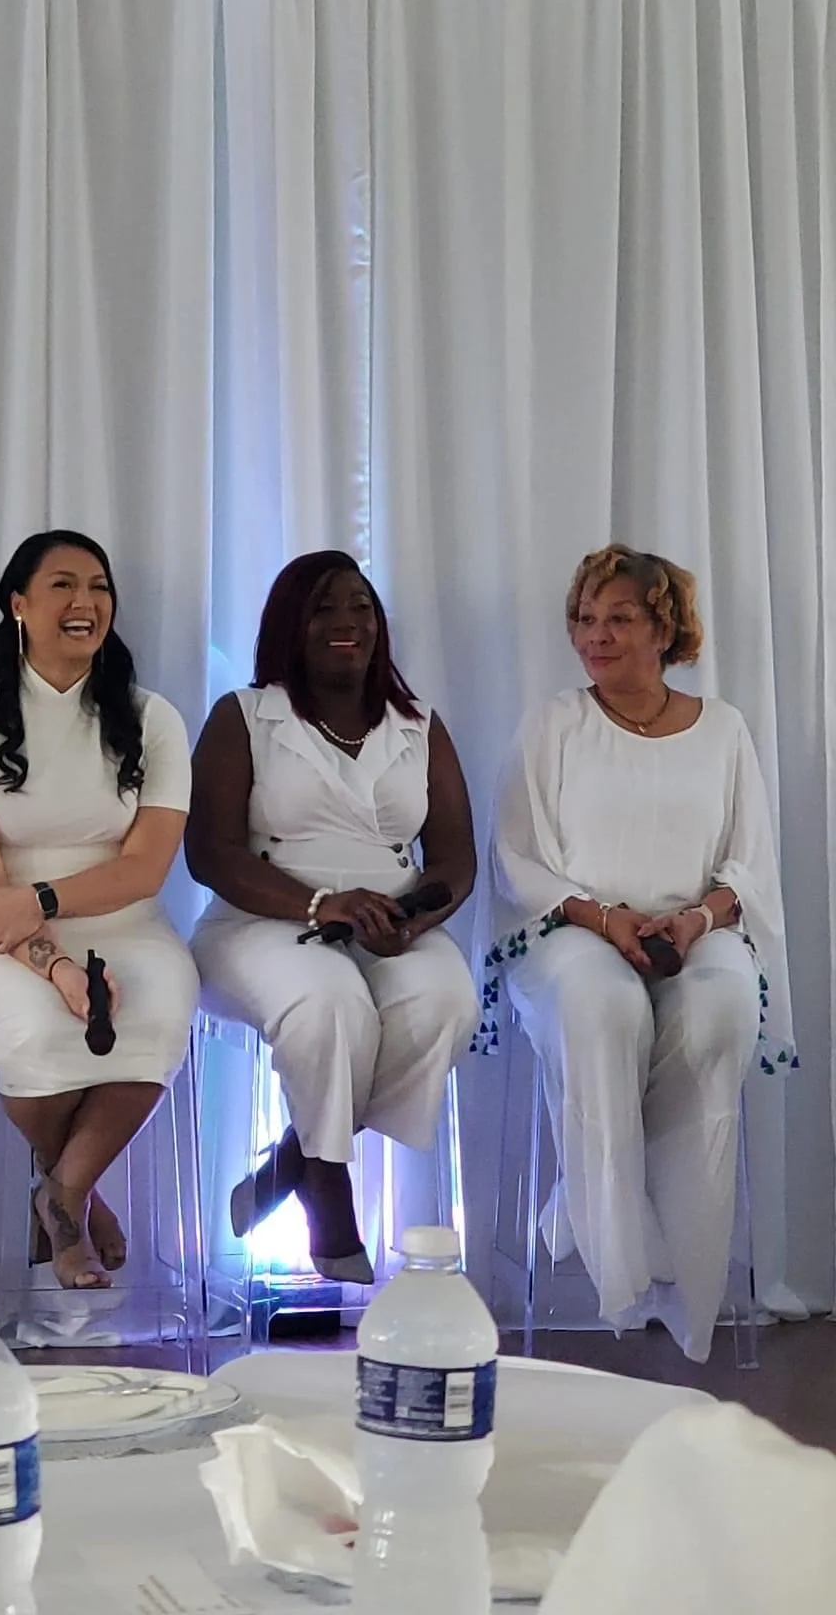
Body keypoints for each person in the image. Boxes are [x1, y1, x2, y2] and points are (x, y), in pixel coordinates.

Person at [490, 544, 794, 1362]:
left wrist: (696, 921)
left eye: (620, 617)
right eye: (586, 619)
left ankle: (681, 1283)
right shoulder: (555, 722)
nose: (598, 635)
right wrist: (605, 918)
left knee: (723, 1010)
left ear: (666, 628)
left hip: (696, 931)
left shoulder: (723, 728)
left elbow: (751, 867)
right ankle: (626, 1271)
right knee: (604, 1007)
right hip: (574, 932)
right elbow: (519, 859)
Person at [188, 551, 478, 1281]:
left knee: (445, 1002)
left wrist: (408, 919)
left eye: (361, 607)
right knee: (330, 1002)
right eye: (323, 608)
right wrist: (319, 904)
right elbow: (210, 853)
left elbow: (453, 860)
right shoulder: (245, 716)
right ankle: (327, 1188)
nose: (347, 622)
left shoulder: (419, 726)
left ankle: (296, 1152)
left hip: (392, 919)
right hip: (264, 917)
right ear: (291, 624)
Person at [0, 530, 197, 1290]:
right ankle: (77, 1196)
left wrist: (48, 903)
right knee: (41, 1030)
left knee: (158, 1011)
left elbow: (146, 867)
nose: (86, 603)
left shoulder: (153, 718)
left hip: (123, 918)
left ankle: (60, 1193)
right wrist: (56, 962)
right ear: (18, 604)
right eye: (63, 586)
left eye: (99, 587)